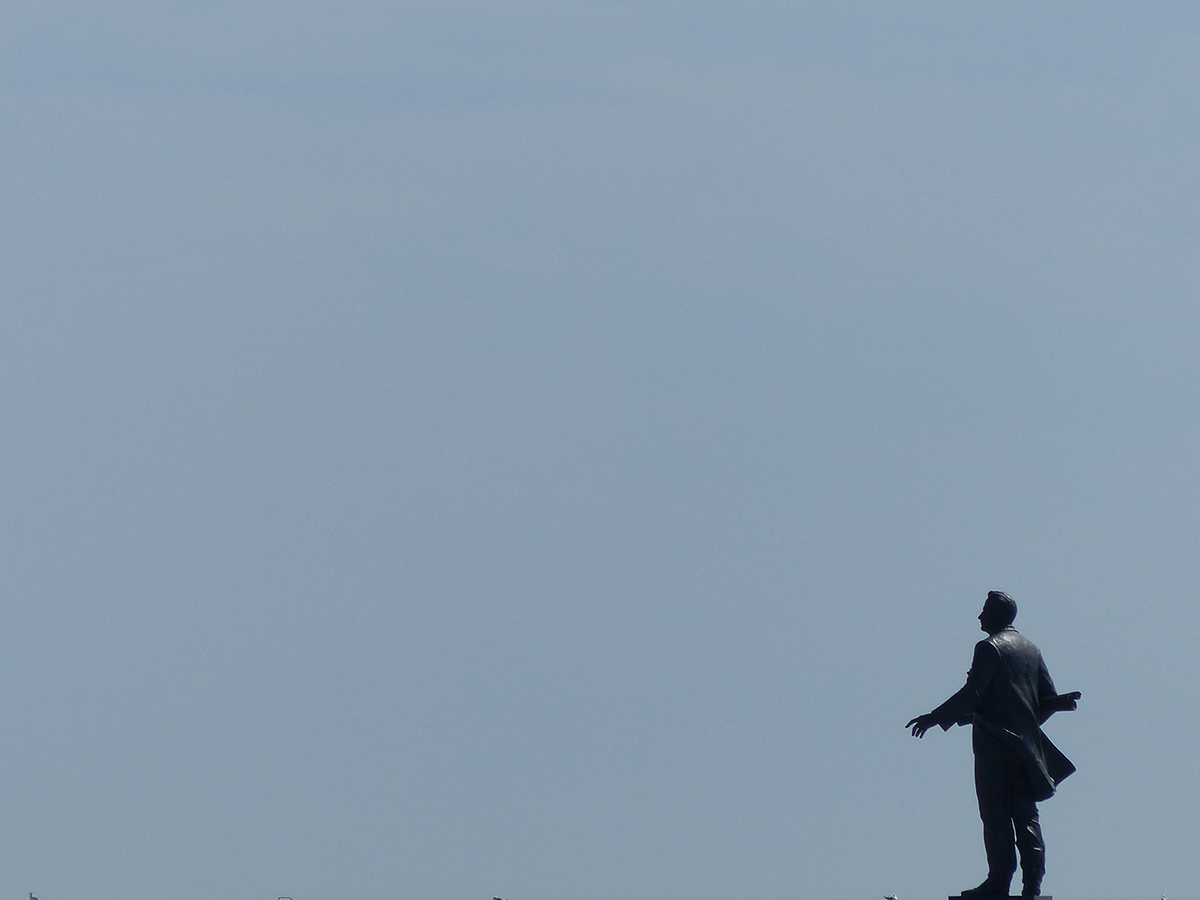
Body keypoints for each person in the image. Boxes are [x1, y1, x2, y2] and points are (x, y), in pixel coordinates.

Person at [907, 591, 1078, 898]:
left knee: (996, 814)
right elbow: (1047, 700)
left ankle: (999, 880)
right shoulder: (1031, 649)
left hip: (995, 749)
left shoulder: (989, 647)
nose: (980, 616)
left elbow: (973, 693)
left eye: (984, 610)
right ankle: (1032, 884)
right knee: (1026, 816)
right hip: (1025, 749)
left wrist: (934, 717)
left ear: (998, 615)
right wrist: (1024, 726)